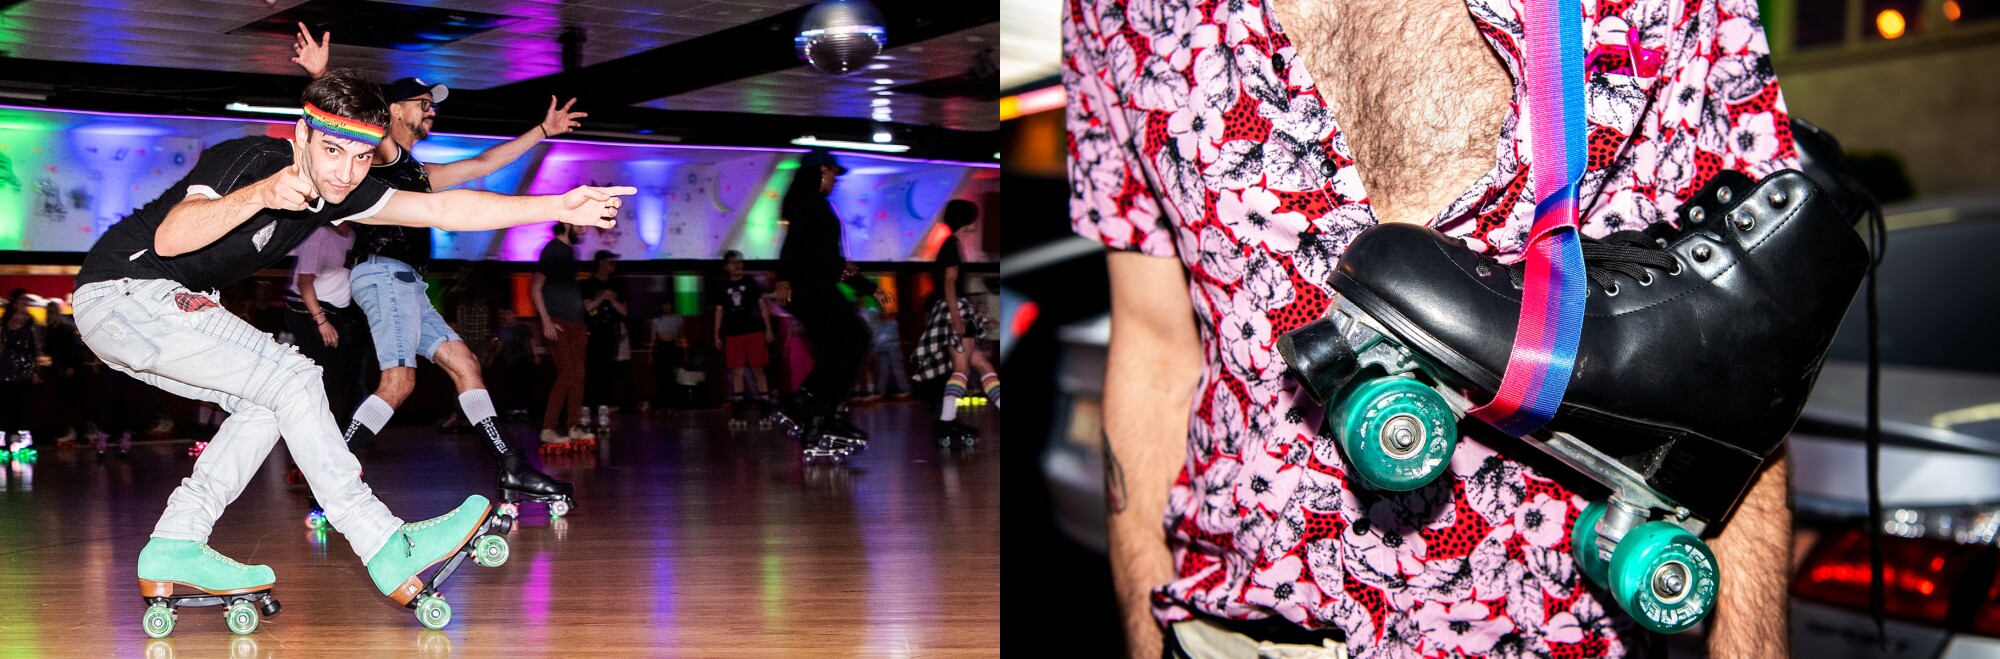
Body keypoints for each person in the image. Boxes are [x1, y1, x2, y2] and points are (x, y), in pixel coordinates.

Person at [1065, 0, 1798, 656]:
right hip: (1232, 627)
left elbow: (1742, 352)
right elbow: (1154, 346)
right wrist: (1145, 630)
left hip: (1561, 629)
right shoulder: (1118, 14)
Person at [69, 69, 631, 609]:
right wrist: (264, 193)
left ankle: (177, 543)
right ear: (302, 136)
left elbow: (440, 207)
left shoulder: (342, 191)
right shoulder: (250, 159)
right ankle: (385, 543)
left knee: (268, 404)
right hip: (129, 292)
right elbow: (171, 238)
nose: (345, 173)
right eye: (333, 151)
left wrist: (556, 205)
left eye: (361, 156)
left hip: (136, 315)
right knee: (294, 375)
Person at [291, 23, 577, 501]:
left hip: (406, 283)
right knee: (399, 382)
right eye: (424, 104)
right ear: (396, 110)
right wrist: (323, 75)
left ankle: (510, 467)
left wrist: (542, 131)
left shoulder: (420, 172)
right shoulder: (380, 153)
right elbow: (354, 119)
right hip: (383, 273)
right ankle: (329, 476)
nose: (432, 111)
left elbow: (486, 164)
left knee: (465, 362)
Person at [770, 150, 884, 449]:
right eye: (833, 173)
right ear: (822, 170)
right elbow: (796, 246)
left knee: (841, 347)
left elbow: (822, 256)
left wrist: (859, 280)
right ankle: (822, 411)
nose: (835, 180)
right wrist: (865, 285)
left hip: (812, 286)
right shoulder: (812, 203)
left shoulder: (808, 203)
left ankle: (811, 410)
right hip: (812, 288)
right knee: (856, 339)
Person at [910, 200, 998, 444]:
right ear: (967, 221)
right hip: (954, 311)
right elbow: (949, 283)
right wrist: (957, 318)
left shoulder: (952, 245)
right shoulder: (951, 246)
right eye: (973, 219)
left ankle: (947, 421)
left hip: (954, 309)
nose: (976, 224)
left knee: (984, 366)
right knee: (961, 369)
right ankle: (946, 421)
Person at [281, 223, 367, 431]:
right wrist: (321, 321)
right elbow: (304, 282)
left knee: (337, 382)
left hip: (336, 314)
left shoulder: (352, 235)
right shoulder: (319, 234)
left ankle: (329, 439)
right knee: (321, 382)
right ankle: (313, 439)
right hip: (309, 312)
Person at [533, 222, 592, 445]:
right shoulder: (553, 250)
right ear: (568, 223)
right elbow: (536, 287)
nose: (585, 230)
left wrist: (582, 322)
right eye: (582, 225)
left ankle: (574, 425)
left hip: (576, 323)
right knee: (567, 374)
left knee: (579, 376)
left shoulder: (569, 251)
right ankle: (548, 428)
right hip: (558, 323)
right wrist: (546, 322)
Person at [711, 250, 774, 419]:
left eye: (739, 262)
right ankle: (738, 405)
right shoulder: (723, 287)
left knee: (758, 368)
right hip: (733, 334)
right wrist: (716, 334)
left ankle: (765, 403)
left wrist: (768, 328)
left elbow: (762, 306)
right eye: (732, 262)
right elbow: (719, 311)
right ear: (726, 267)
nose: (736, 265)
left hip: (754, 331)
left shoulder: (751, 282)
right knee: (736, 370)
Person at [581, 249, 627, 431]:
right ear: (601, 263)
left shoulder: (618, 284)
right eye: (610, 261)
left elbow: (624, 311)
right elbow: (587, 307)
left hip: (610, 334)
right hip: (590, 334)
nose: (612, 265)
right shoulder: (588, 284)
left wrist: (611, 299)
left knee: (607, 373)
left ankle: (603, 411)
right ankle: (585, 411)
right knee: (590, 372)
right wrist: (603, 297)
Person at [0, 289, 38, 450]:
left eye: (27, 300)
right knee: (5, 405)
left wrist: (35, 370)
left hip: (23, 371)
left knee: (20, 406)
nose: (26, 302)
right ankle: (5, 438)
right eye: (22, 299)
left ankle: (22, 438)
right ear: (15, 303)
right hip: (5, 369)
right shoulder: (5, 322)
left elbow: (36, 348)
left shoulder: (30, 323)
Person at [650, 301, 687, 411]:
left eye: (668, 304)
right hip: (661, 348)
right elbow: (653, 338)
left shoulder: (678, 319)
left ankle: (674, 404)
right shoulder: (656, 320)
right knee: (661, 377)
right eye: (664, 304)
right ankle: (662, 404)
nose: (666, 307)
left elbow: (682, 337)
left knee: (673, 376)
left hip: (673, 347)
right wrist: (650, 354)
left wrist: (685, 353)